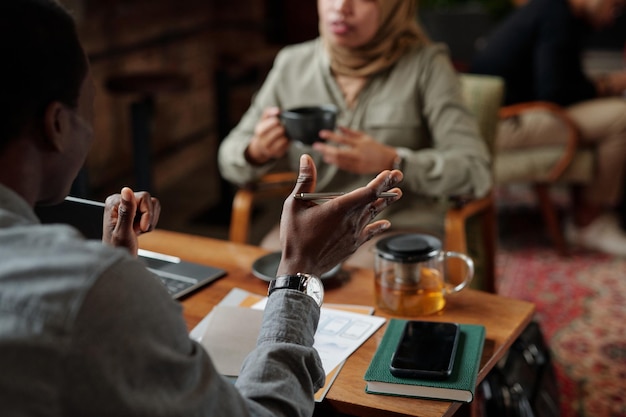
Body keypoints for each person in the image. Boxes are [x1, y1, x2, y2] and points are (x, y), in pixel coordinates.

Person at [0, 1, 403, 416]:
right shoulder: (92, 291)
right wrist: (300, 273)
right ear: (58, 126)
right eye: (92, 104)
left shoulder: (423, 66)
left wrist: (117, 265)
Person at [218, 0, 492, 267]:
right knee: (261, 298)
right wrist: (257, 151)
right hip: (313, 232)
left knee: (365, 294)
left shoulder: (427, 65)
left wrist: (393, 161)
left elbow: (475, 172)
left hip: (397, 230)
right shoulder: (292, 64)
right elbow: (229, 158)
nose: (340, 7)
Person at [470, 0, 626, 256]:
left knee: (609, 114)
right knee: (621, 117)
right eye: (615, 6)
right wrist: (610, 84)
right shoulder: (556, 15)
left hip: (499, 118)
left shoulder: (551, 10)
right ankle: (588, 223)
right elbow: (556, 92)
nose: (613, 17)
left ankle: (590, 211)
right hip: (502, 125)